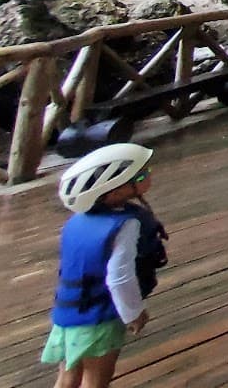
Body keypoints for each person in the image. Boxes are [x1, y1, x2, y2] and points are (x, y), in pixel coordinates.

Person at [43, 143, 166, 388]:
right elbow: (119, 277)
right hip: (99, 317)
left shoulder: (76, 222)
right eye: (140, 175)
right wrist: (133, 312)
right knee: (95, 380)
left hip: (68, 311)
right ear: (113, 193)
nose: (148, 176)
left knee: (67, 376)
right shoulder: (125, 225)